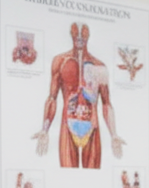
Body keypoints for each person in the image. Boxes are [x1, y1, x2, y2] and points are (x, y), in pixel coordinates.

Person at [32, 22, 125, 169]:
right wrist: (45, 128)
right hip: (67, 125)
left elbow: (106, 103)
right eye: (77, 35)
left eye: (83, 35)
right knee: (67, 178)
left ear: (88, 36)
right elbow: (52, 97)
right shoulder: (60, 62)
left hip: (92, 126)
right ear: (72, 35)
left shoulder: (99, 67)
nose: (80, 38)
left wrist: (113, 134)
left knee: (93, 179)